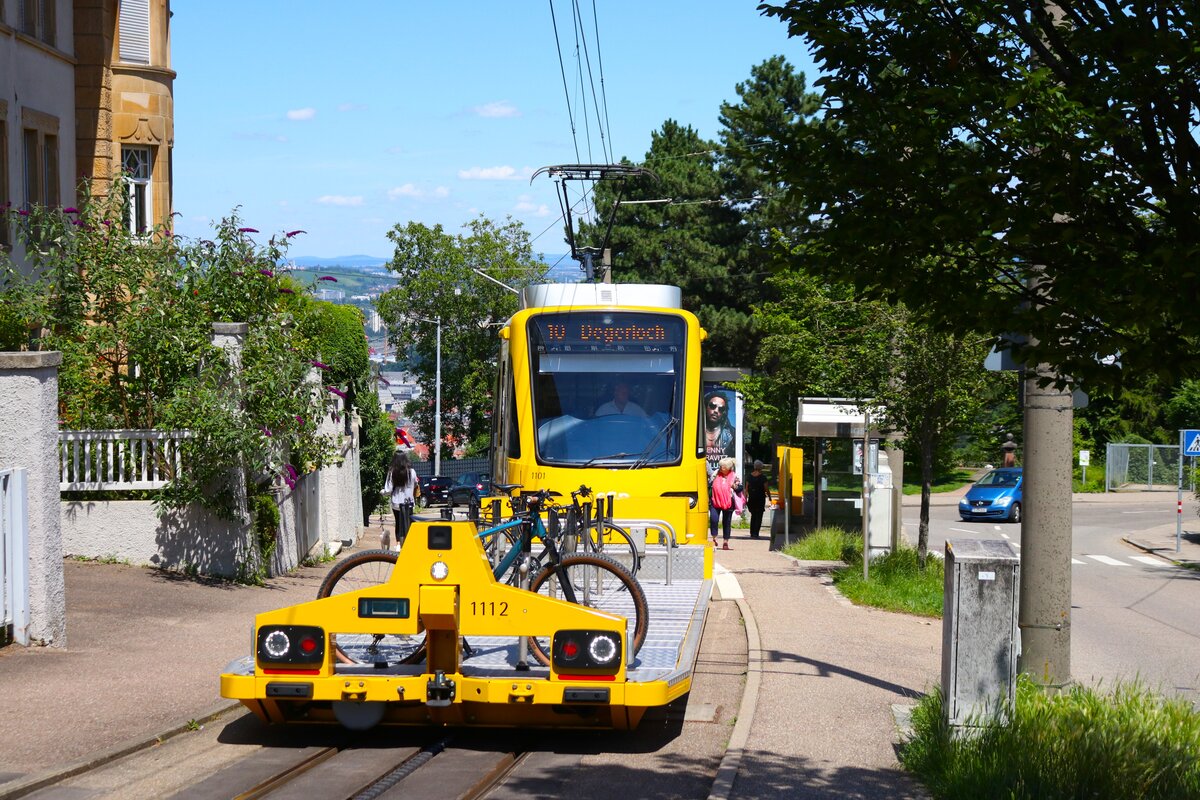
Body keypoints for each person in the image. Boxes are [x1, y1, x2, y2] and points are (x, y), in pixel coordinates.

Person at [381, 450, 420, 550]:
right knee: (409, 522)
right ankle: (409, 542)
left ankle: (398, 543)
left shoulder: (392, 472)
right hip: (409, 502)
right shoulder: (412, 472)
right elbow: (415, 483)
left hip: (396, 502)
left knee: (398, 522)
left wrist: (382, 492)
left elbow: (388, 489)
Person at [709, 456, 742, 550]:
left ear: (728, 468)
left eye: (723, 466)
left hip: (728, 502)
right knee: (714, 519)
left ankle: (725, 542)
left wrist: (734, 486)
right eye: (720, 466)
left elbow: (740, 488)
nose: (720, 468)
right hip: (715, 501)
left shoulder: (734, 476)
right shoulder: (716, 473)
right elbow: (709, 484)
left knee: (726, 522)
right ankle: (714, 538)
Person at [704, 391, 736, 474]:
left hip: (723, 478)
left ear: (723, 413)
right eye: (712, 406)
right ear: (706, 407)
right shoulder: (695, 433)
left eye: (721, 409)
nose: (716, 411)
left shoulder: (732, 435)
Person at [745, 460, 773, 539]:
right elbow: (766, 489)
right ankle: (756, 533)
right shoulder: (763, 477)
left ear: (754, 466)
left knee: (753, 515)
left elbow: (746, 488)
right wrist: (770, 497)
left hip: (752, 498)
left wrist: (745, 497)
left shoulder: (749, 476)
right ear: (761, 467)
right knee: (759, 515)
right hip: (760, 498)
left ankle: (752, 532)